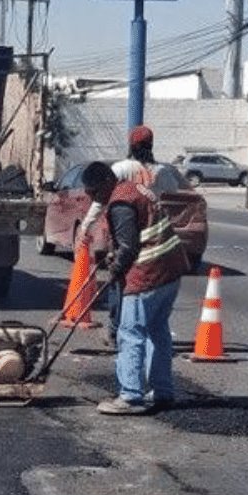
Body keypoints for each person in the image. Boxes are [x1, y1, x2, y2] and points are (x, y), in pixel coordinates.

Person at [81, 160, 188, 415]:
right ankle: (163, 392)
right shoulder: (134, 189)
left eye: (94, 193)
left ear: (107, 183)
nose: (94, 199)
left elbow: (128, 247)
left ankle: (130, 396)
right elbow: (133, 237)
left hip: (148, 273)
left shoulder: (120, 203)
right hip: (171, 270)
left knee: (130, 332)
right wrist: (114, 256)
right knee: (157, 330)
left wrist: (115, 270)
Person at [78, 125, 189, 347]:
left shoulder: (120, 172)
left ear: (131, 145)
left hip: (140, 248)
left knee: (123, 291)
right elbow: (176, 194)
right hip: (156, 237)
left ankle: (116, 332)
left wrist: (86, 228)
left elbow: (105, 206)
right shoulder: (162, 172)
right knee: (156, 328)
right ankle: (157, 379)